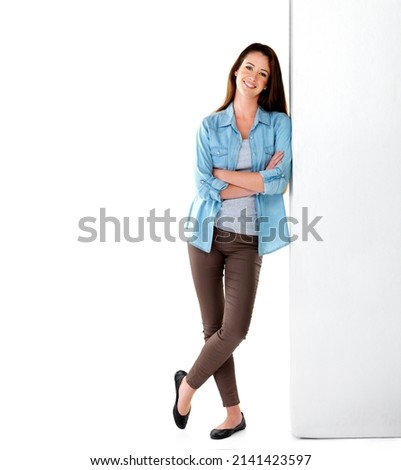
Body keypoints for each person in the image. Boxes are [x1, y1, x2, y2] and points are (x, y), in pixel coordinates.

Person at [173, 43, 292, 439]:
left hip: (248, 238)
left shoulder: (278, 125)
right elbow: (205, 188)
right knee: (214, 330)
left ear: (267, 84)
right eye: (248, 67)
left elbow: (279, 181)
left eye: (262, 73)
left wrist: (230, 175)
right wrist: (255, 180)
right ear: (236, 71)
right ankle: (234, 413)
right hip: (204, 235)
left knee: (234, 329)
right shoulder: (209, 126)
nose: (253, 76)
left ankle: (186, 386)